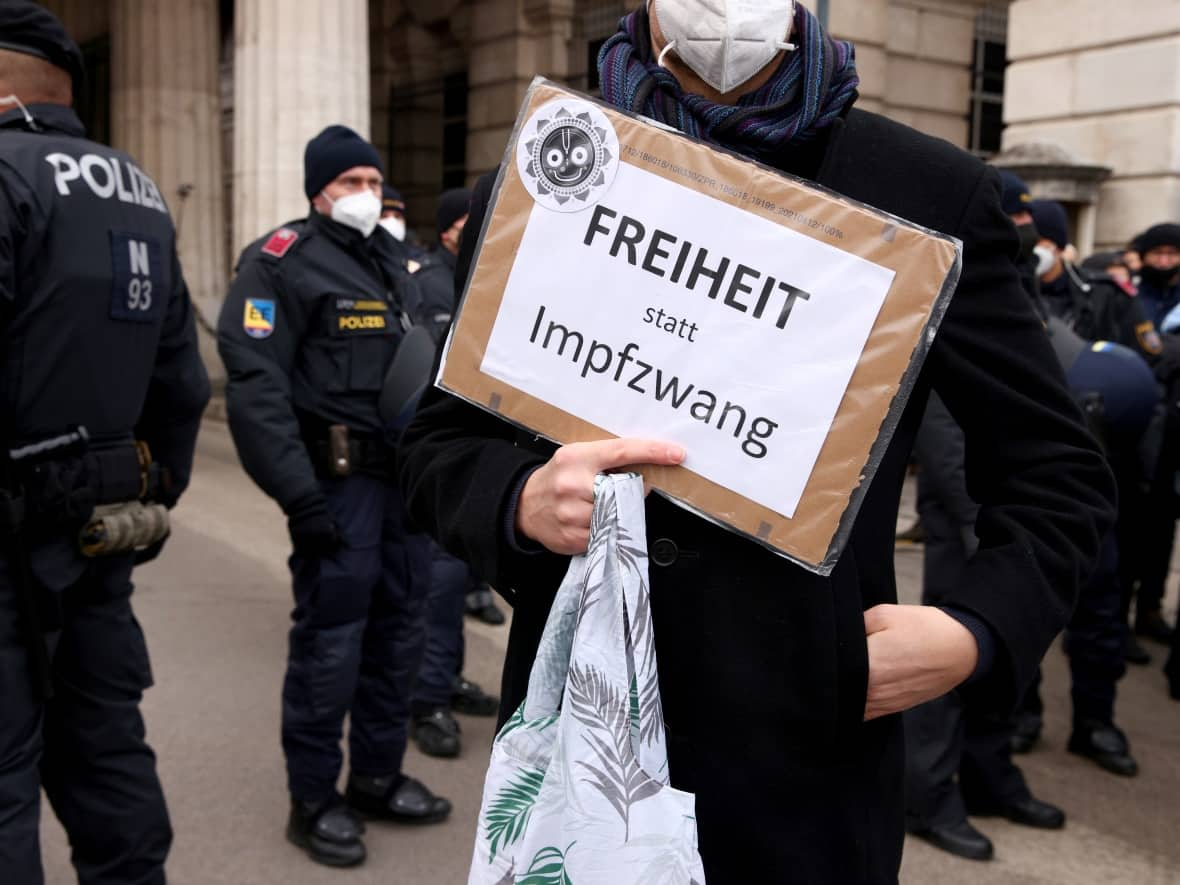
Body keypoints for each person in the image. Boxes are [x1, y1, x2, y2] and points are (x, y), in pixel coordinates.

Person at [397, 2, 1115, 880]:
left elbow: (1058, 473)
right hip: (583, 752)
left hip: (802, 766)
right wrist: (516, 497)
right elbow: (440, 442)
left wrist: (974, 630)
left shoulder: (924, 190)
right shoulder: (552, 165)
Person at [0, 4, 211, 882]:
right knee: (107, 762)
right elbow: (184, 382)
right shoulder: (141, 189)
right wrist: (149, 487)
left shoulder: (6, 177)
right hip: (96, 542)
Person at [218, 125, 450, 869]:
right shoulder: (280, 264)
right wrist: (299, 496)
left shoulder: (396, 264)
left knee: (398, 636)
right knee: (331, 648)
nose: (367, 194)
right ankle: (314, 801)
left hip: (402, 490)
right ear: (319, 189)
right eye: (351, 181)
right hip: (338, 491)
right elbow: (257, 389)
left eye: (374, 182)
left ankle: (376, 778)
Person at [904, 395, 1065, 863]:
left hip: (1008, 520)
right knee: (942, 668)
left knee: (1007, 652)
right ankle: (926, 799)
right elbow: (943, 435)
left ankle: (988, 780)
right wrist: (995, 540)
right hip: (970, 522)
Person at [406, 187, 502, 759]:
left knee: (460, 583)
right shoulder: (429, 283)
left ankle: (448, 678)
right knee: (438, 591)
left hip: (477, 452)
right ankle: (428, 699)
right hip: (443, 450)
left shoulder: (482, 271)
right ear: (448, 230)